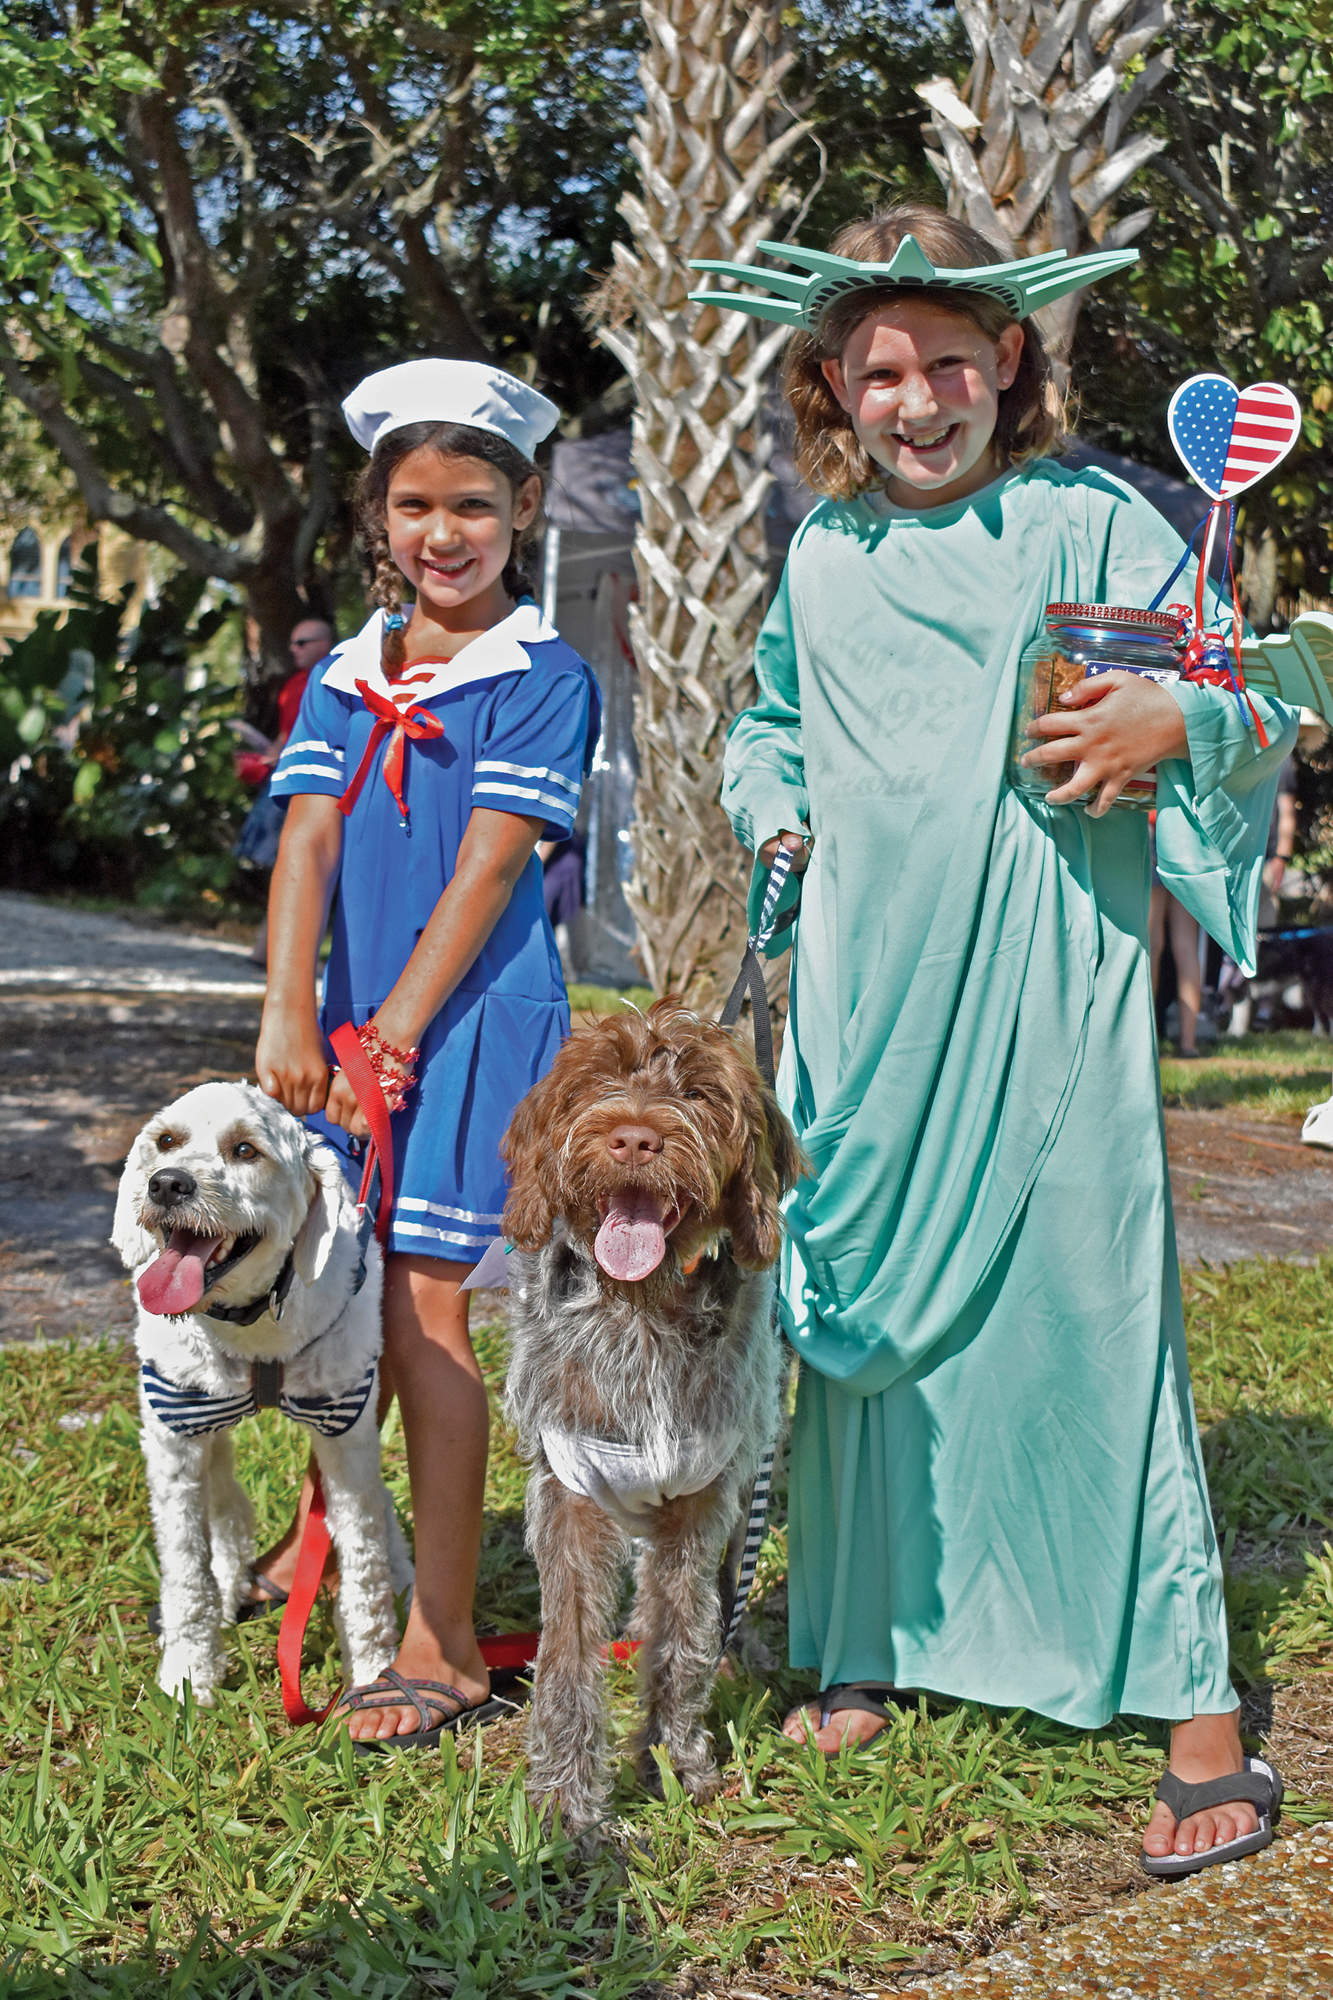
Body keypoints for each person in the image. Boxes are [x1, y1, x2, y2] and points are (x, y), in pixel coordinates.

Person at [706, 205, 1295, 1874]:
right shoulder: (821, 553)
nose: (914, 399)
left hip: (1050, 992)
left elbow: (1257, 689)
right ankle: (872, 1634)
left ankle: (1189, 1702)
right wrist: (774, 815)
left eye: (948, 362)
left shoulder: (1091, 521)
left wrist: (1177, 716)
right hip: (862, 1003)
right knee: (862, 1318)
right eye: (879, 369)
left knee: (1093, 1317)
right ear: (834, 378)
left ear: (1009, 362)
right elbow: (766, 728)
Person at [254, 359, 600, 1745]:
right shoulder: (348, 668)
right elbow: (310, 839)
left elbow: (490, 865)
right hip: (347, 1037)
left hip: (469, 1028)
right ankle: (325, 1544)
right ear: (378, 515)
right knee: (332, 1300)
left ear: (523, 506)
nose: (440, 533)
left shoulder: (542, 674)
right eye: (413, 505)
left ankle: (444, 1638)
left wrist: (393, 1032)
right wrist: (292, 1013)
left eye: (471, 503)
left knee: (423, 1313)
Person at [234, 616, 337, 968]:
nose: (294, 649)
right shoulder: (295, 684)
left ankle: (280, 952)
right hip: (287, 782)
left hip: (321, 786)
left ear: (326, 642)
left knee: (305, 863)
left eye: (303, 642)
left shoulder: (342, 679)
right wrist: (263, 758)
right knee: (285, 864)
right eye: (292, 642)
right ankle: (269, 950)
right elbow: (286, 736)